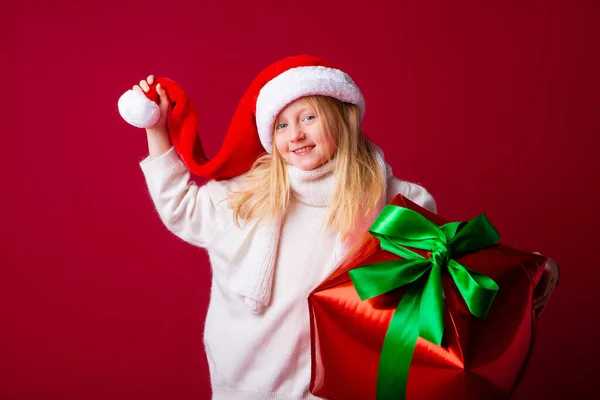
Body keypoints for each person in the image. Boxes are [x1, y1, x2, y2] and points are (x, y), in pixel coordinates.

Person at [128, 55, 559, 399]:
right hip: (249, 380)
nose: (295, 134)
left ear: (340, 118)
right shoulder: (248, 195)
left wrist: (527, 269)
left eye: (309, 117)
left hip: (343, 383)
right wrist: (157, 130)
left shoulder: (388, 197)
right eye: (281, 124)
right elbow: (181, 206)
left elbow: (450, 259)